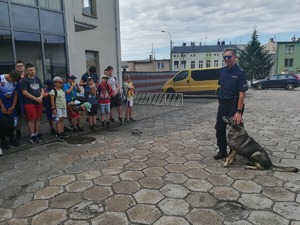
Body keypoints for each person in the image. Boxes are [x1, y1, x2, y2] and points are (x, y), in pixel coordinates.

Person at [214, 47, 248, 160]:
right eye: (225, 57)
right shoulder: (222, 71)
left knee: (235, 131)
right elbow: (222, 87)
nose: (226, 59)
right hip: (223, 105)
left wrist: (238, 112)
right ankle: (222, 151)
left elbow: (242, 93)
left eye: (229, 57)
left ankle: (232, 154)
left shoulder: (240, 73)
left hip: (234, 105)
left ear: (235, 57)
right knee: (219, 128)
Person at [21, 63, 44, 144]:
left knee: (38, 119)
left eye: (33, 70)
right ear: (26, 71)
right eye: (30, 70)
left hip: (39, 102)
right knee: (31, 119)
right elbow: (24, 92)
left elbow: (42, 89)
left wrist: (40, 97)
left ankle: (37, 133)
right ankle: (32, 135)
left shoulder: (37, 79)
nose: (32, 72)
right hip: (30, 103)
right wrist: (35, 99)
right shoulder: (24, 80)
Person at [0, 70, 21, 150]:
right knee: (3, 123)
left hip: (11, 104)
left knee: (13, 122)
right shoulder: (1, 78)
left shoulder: (15, 82)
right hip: (2, 104)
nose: (14, 82)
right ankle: (3, 140)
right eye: (13, 80)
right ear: (9, 76)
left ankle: (12, 138)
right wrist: (2, 107)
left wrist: (13, 106)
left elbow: (16, 94)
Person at [50, 76, 69, 142]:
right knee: (58, 120)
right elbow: (52, 101)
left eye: (61, 83)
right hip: (58, 107)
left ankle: (62, 131)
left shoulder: (62, 90)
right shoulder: (53, 91)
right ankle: (59, 133)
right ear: (55, 83)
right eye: (59, 83)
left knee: (61, 119)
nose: (61, 84)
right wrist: (54, 108)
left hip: (63, 107)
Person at [14, 60, 26, 140]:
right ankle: (17, 132)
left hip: (28, 99)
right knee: (19, 116)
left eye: (21, 66)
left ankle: (33, 133)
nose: (20, 67)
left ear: (24, 67)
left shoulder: (27, 76)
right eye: (18, 66)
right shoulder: (14, 77)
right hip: (17, 100)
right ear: (16, 68)